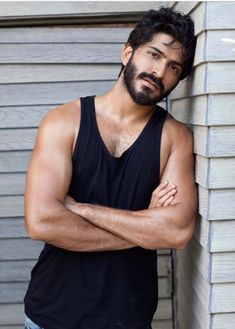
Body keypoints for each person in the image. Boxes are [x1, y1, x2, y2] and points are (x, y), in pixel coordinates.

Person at [24, 7, 197, 329]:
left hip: (128, 317)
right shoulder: (64, 122)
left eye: (173, 67)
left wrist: (83, 209)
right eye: (153, 55)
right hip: (51, 315)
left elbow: (177, 231)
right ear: (128, 52)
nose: (159, 71)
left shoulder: (175, 137)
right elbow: (42, 222)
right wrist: (145, 229)